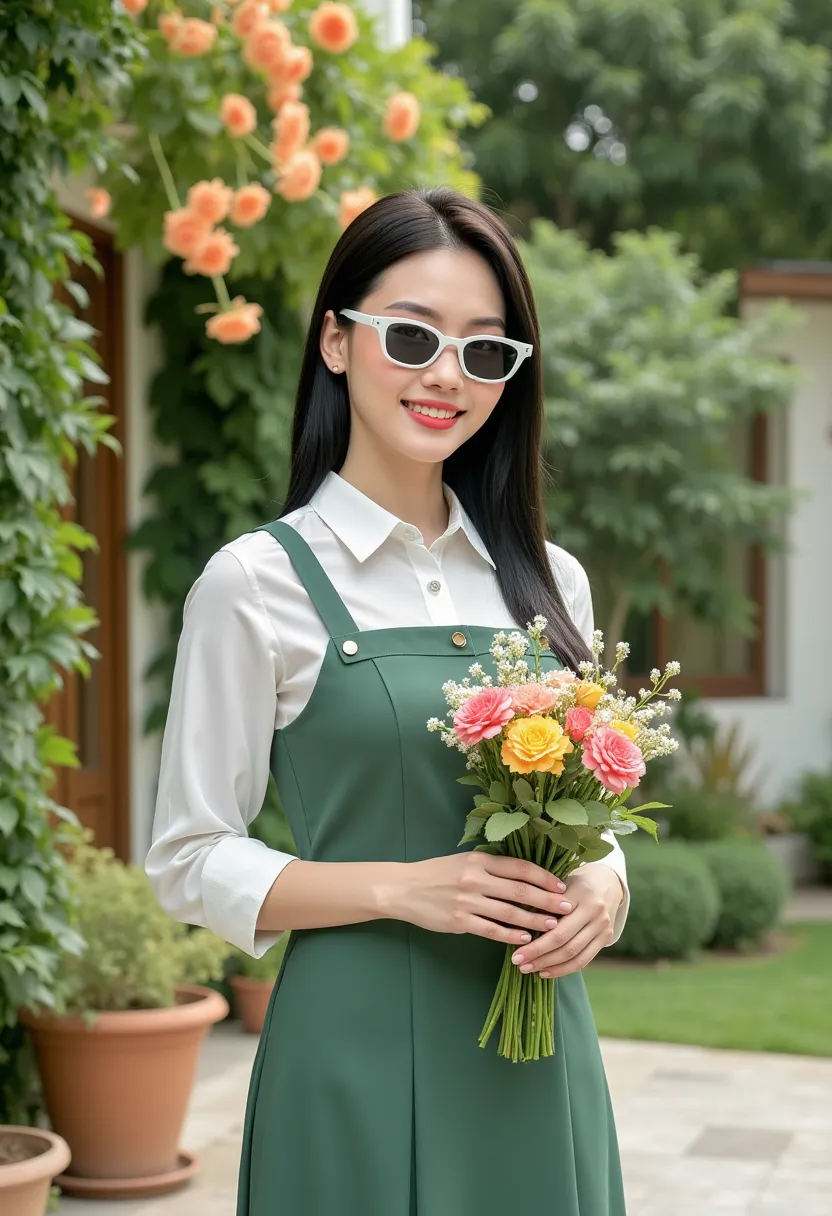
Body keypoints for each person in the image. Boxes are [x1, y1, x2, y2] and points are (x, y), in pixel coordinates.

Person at [146, 187, 630, 1216]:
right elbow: (189, 857)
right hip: (349, 1050)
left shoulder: (550, 579)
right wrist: (401, 889)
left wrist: (606, 886)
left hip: (534, 1051)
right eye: (411, 336)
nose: (446, 376)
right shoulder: (253, 583)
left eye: (485, 351)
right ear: (335, 340)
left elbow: (586, 829)